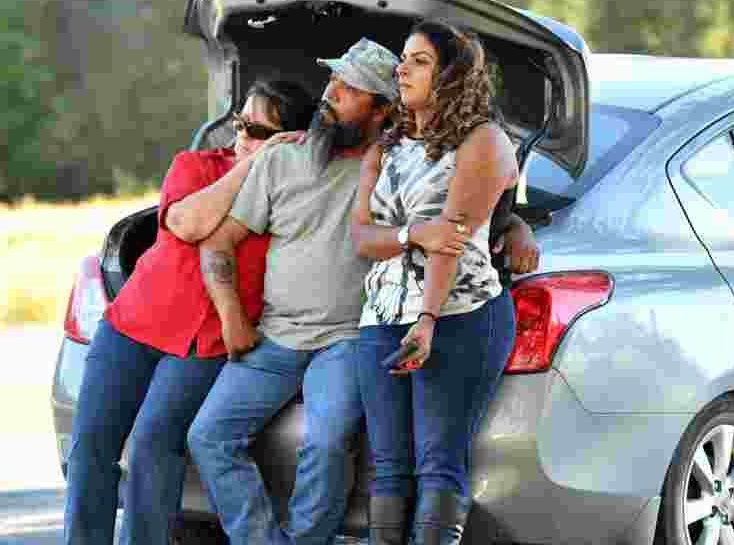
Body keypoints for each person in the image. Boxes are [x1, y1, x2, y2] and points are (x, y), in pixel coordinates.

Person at [188, 38, 538, 545]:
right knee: (383, 466)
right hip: (330, 328)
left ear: (379, 107)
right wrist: (232, 316)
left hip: (386, 329)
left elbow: (468, 220)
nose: (328, 94)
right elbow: (371, 237)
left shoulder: (457, 144)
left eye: (347, 88)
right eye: (332, 81)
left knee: (383, 453)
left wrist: (513, 230)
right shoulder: (338, 154)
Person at [63, 78, 316, 545]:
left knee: (151, 448)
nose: (242, 136)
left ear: (292, 140)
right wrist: (252, 163)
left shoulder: (293, 193)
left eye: (258, 132)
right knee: (89, 451)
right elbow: (189, 222)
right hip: (133, 325)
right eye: (241, 123)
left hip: (205, 343)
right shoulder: (196, 165)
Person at [350, 20, 520, 545]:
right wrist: (409, 234)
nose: (402, 68)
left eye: (419, 60)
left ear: (450, 77)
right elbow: (360, 236)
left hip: (458, 317)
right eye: (404, 58)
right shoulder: (385, 147)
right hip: (381, 316)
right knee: (388, 467)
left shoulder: (482, 140)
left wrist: (427, 321)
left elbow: (450, 242)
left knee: (437, 464)